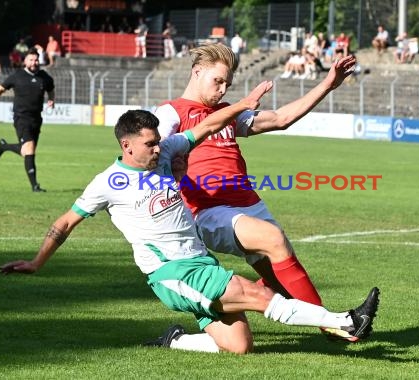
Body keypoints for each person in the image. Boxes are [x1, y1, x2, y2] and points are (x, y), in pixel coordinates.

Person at [0, 103, 380, 354]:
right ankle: (346, 321)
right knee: (257, 294)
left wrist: (243, 105)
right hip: (172, 273)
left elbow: (209, 125)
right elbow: (65, 223)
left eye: (159, 141)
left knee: (239, 344)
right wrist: (37, 262)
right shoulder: (108, 182)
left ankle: (175, 340)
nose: (158, 148)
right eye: (149, 144)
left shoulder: (163, 157)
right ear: (127, 146)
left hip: (201, 263)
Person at [154, 43, 365, 341]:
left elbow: (279, 119)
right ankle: (335, 325)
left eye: (227, 84)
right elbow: (150, 147)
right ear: (197, 72)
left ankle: (330, 327)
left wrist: (329, 84)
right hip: (209, 211)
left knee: (279, 277)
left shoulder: (226, 112)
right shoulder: (171, 112)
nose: (223, 89)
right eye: (218, 81)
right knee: (273, 240)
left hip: (249, 205)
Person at [0, 49, 55, 192]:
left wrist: (52, 99)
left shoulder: (44, 77)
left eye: (36, 60)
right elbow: (0, 89)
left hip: (36, 119)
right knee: (29, 149)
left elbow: (51, 89)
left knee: (27, 151)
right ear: (25, 61)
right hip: (21, 117)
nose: (34, 63)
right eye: (31, 60)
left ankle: (4, 146)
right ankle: (35, 186)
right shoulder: (17, 76)